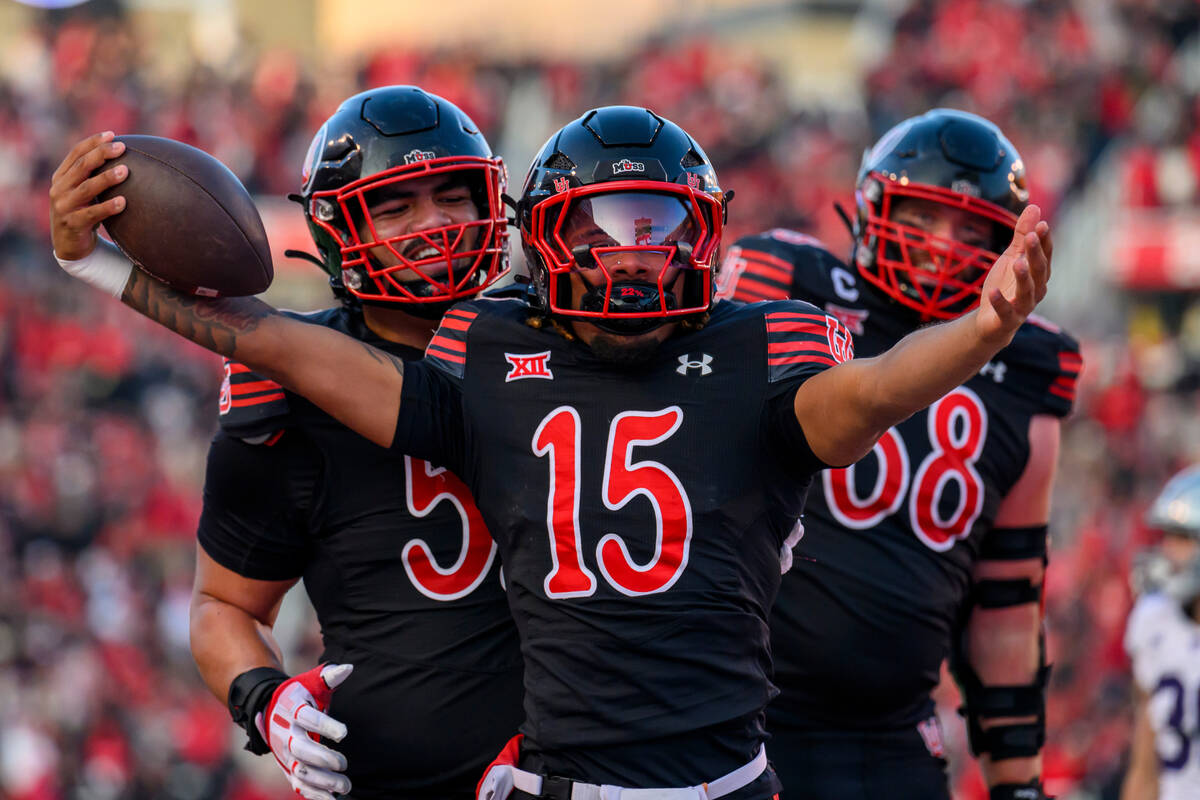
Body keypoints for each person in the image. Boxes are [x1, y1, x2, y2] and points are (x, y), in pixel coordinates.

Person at [50, 104, 1052, 800]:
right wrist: (99, 266)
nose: (631, 255)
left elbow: (869, 391)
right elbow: (266, 343)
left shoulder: (734, 348)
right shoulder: (460, 361)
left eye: (658, 229)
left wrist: (978, 333)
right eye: (396, 205)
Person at [718, 109, 1078, 800]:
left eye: (975, 230)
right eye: (925, 218)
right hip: (743, 716)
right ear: (872, 208)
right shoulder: (791, 287)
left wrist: (1019, 783)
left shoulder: (1029, 368)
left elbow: (1006, 604)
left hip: (892, 739)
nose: (946, 246)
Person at [192, 85, 523, 800]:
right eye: (397, 206)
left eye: (453, 197)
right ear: (339, 229)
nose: (434, 225)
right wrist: (266, 699)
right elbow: (225, 605)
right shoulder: (283, 385)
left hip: (584, 770)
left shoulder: (559, 339)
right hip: (387, 779)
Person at [1121, 466, 1200, 800]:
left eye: (1183, 538)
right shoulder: (1154, 621)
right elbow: (1146, 763)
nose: (1169, 551)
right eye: (1167, 537)